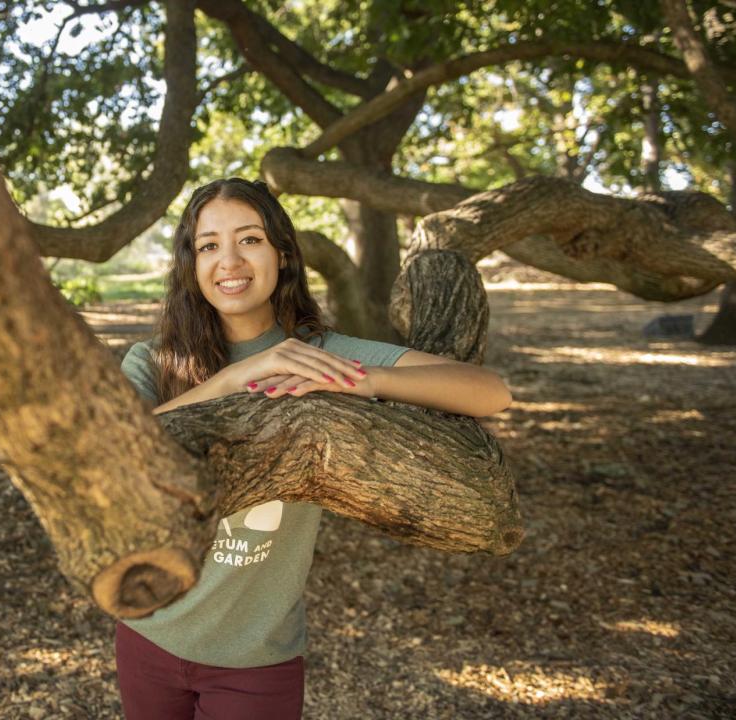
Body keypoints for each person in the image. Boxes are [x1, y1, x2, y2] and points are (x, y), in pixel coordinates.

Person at [115, 178, 513, 720]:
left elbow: (490, 392)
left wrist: (364, 381)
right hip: (147, 635)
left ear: (282, 253)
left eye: (249, 239)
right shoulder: (152, 360)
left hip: (255, 656)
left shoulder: (322, 353)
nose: (228, 260)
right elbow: (115, 453)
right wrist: (238, 377)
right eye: (208, 245)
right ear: (190, 263)